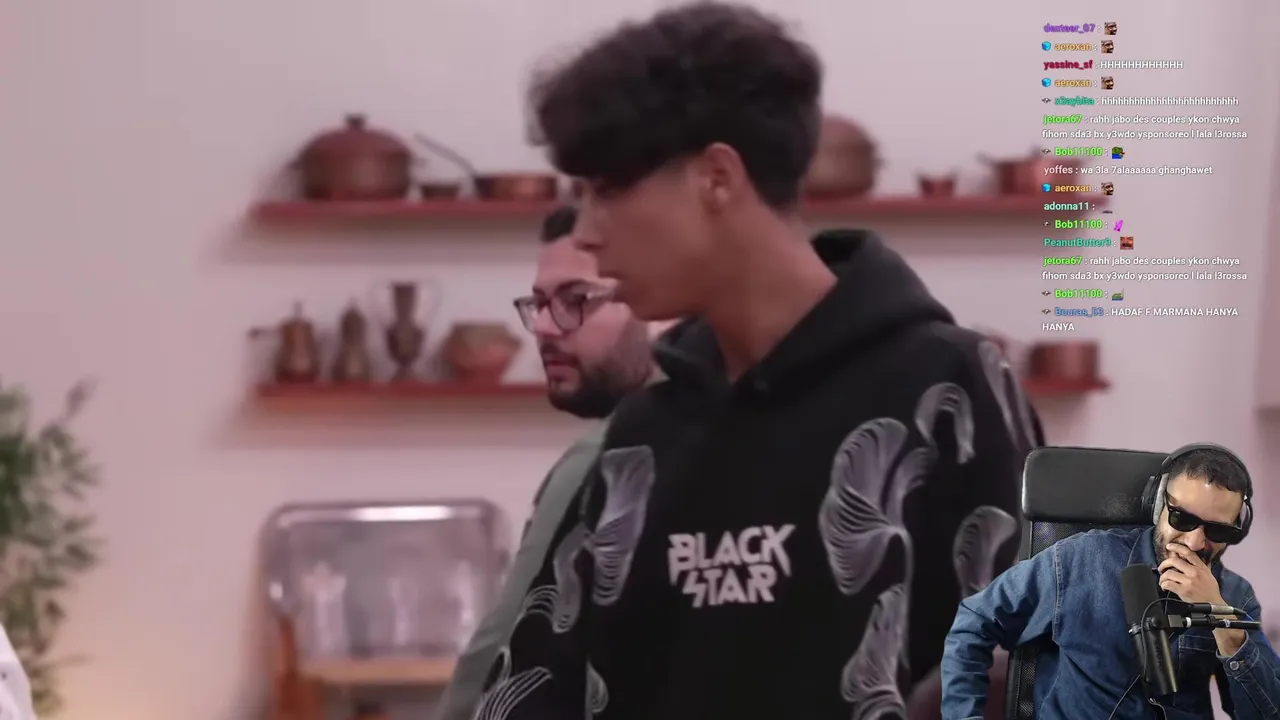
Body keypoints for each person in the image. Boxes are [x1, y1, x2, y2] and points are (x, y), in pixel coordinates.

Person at [472, 4, 1042, 719]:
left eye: (607, 190)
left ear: (717, 176)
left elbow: (1042, 670)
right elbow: (532, 688)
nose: (584, 232)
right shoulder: (641, 438)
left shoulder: (947, 393)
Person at [433, 206, 651, 720]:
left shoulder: (605, 459)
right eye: (538, 304)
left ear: (660, 305)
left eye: (576, 301)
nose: (545, 328)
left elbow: (499, 651)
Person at [942, 445, 1280, 719]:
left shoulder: (1235, 597)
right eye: (1182, 519)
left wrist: (1223, 624)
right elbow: (974, 622)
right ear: (1157, 505)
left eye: (1217, 530)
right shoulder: (1080, 560)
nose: (1194, 542)